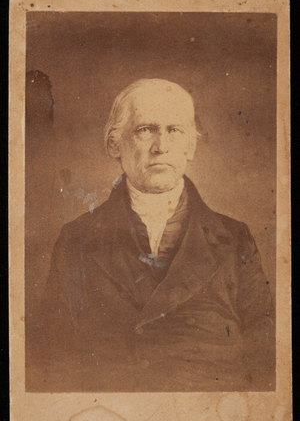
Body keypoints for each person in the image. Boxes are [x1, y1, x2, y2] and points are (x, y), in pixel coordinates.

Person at [27, 78, 275, 392]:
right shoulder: (75, 240)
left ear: (191, 147)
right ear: (114, 144)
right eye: (145, 130)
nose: (161, 146)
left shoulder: (236, 239)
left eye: (175, 130)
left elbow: (265, 361)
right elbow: (51, 361)